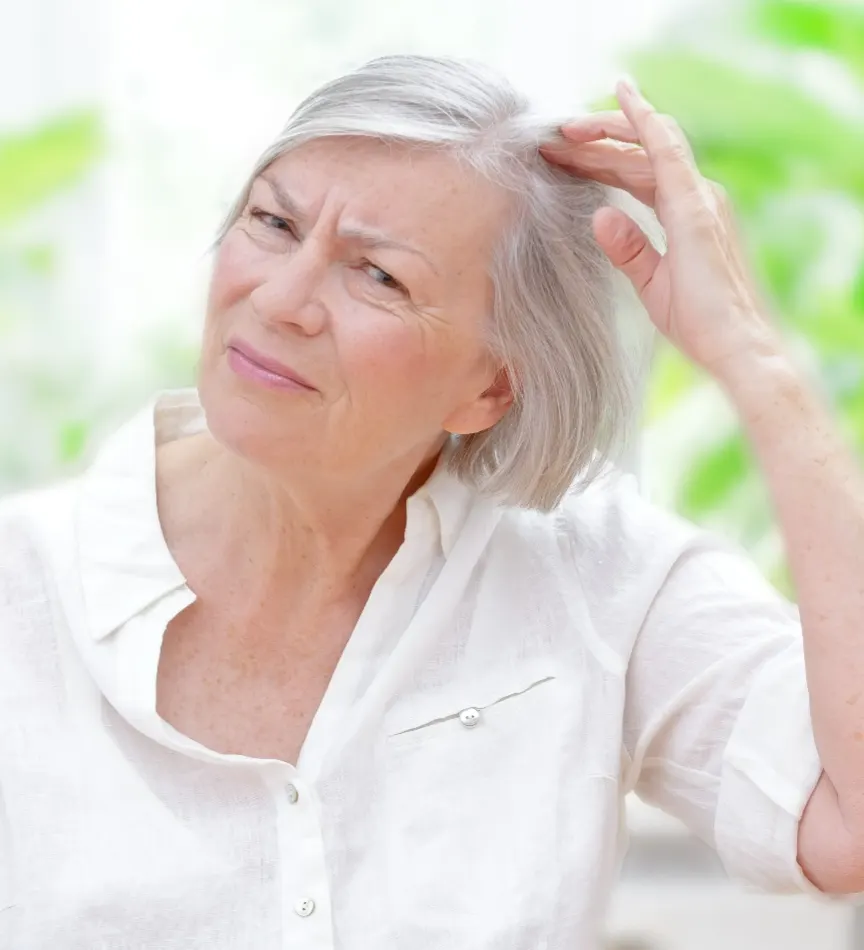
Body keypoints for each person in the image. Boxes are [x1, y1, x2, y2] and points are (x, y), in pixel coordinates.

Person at [1, 53, 862, 950]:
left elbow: (850, 829)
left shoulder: (597, 577)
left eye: (379, 277)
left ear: (490, 389)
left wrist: (758, 363)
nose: (284, 298)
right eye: (273, 222)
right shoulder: (21, 586)